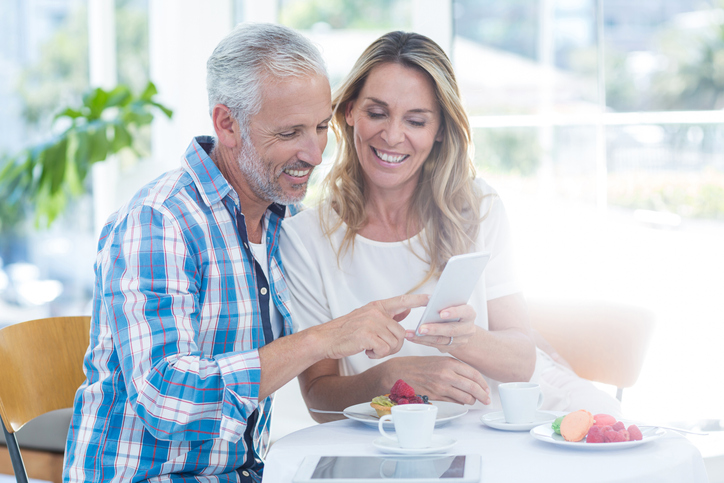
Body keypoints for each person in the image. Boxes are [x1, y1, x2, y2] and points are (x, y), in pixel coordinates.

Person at [63, 24, 428, 483]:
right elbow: (167, 399)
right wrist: (322, 339)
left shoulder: (283, 223)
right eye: (291, 132)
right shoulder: (160, 222)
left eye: (320, 127)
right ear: (227, 124)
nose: (315, 154)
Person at [279, 31, 622, 420]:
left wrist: (465, 339)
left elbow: (522, 362)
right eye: (377, 113)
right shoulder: (305, 239)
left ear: (440, 129)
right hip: (393, 442)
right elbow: (320, 402)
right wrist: (389, 378)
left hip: (501, 419)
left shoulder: (476, 209)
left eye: (416, 120)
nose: (392, 135)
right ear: (349, 112)